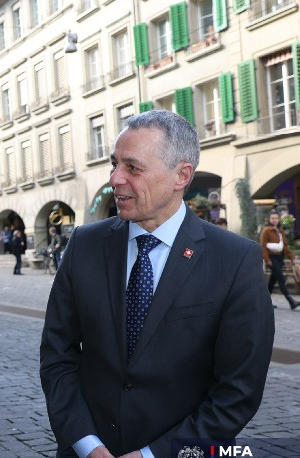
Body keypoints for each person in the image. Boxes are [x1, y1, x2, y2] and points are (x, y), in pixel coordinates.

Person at [40, 110, 274, 458]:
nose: (115, 179)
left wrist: (154, 454)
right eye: (114, 164)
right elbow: (57, 357)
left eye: (132, 168)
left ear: (181, 175)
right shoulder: (85, 244)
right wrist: (87, 445)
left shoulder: (235, 260)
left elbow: (237, 392)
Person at [260, 210, 299, 310]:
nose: (274, 220)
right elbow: (263, 247)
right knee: (281, 279)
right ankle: (291, 301)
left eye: (276, 218)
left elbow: (285, 246)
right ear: (269, 219)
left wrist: (292, 257)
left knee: (272, 281)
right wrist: (267, 259)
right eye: (272, 218)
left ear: (279, 219)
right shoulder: (266, 231)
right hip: (271, 258)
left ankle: (264, 302)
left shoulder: (280, 231)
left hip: (280, 258)